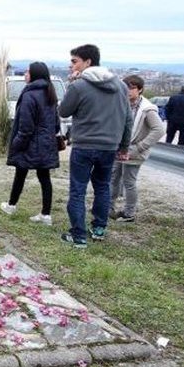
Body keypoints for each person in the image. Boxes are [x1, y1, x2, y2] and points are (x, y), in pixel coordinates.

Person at [58, 44, 132, 248]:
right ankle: (99, 228)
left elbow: (63, 111)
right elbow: (128, 119)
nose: (71, 65)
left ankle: (78, 235)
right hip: (109, 146)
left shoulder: (79, 85)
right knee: (102, 187)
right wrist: (124, 146)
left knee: (78, 190)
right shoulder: (121, 86)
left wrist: (71, 84)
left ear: (88, 62)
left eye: (74, 61)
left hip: (84, 145)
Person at [0, 62, 60, 225]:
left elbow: (25, 127)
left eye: (27, 72)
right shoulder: (50, 93)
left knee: (20, 173)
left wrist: (16, 144)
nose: (25, 74)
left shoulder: (29, 95)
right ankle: (46, 214)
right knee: (44, 177)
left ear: (34, 75)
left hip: (30, 143)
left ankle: (11, 205)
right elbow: (56, 123)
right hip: (46, 143)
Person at [110, 75, 165, 223]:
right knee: (113, 178)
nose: (128, 90)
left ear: (140, 89)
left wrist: (140, 147)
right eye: (126, 87)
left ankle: (129, 213)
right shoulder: (122, 103)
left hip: (134, 151)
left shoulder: (147, 109)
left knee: (129, 181)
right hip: (119, 148)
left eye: (132, 87)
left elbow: (159, 130)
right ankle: (109, 207)